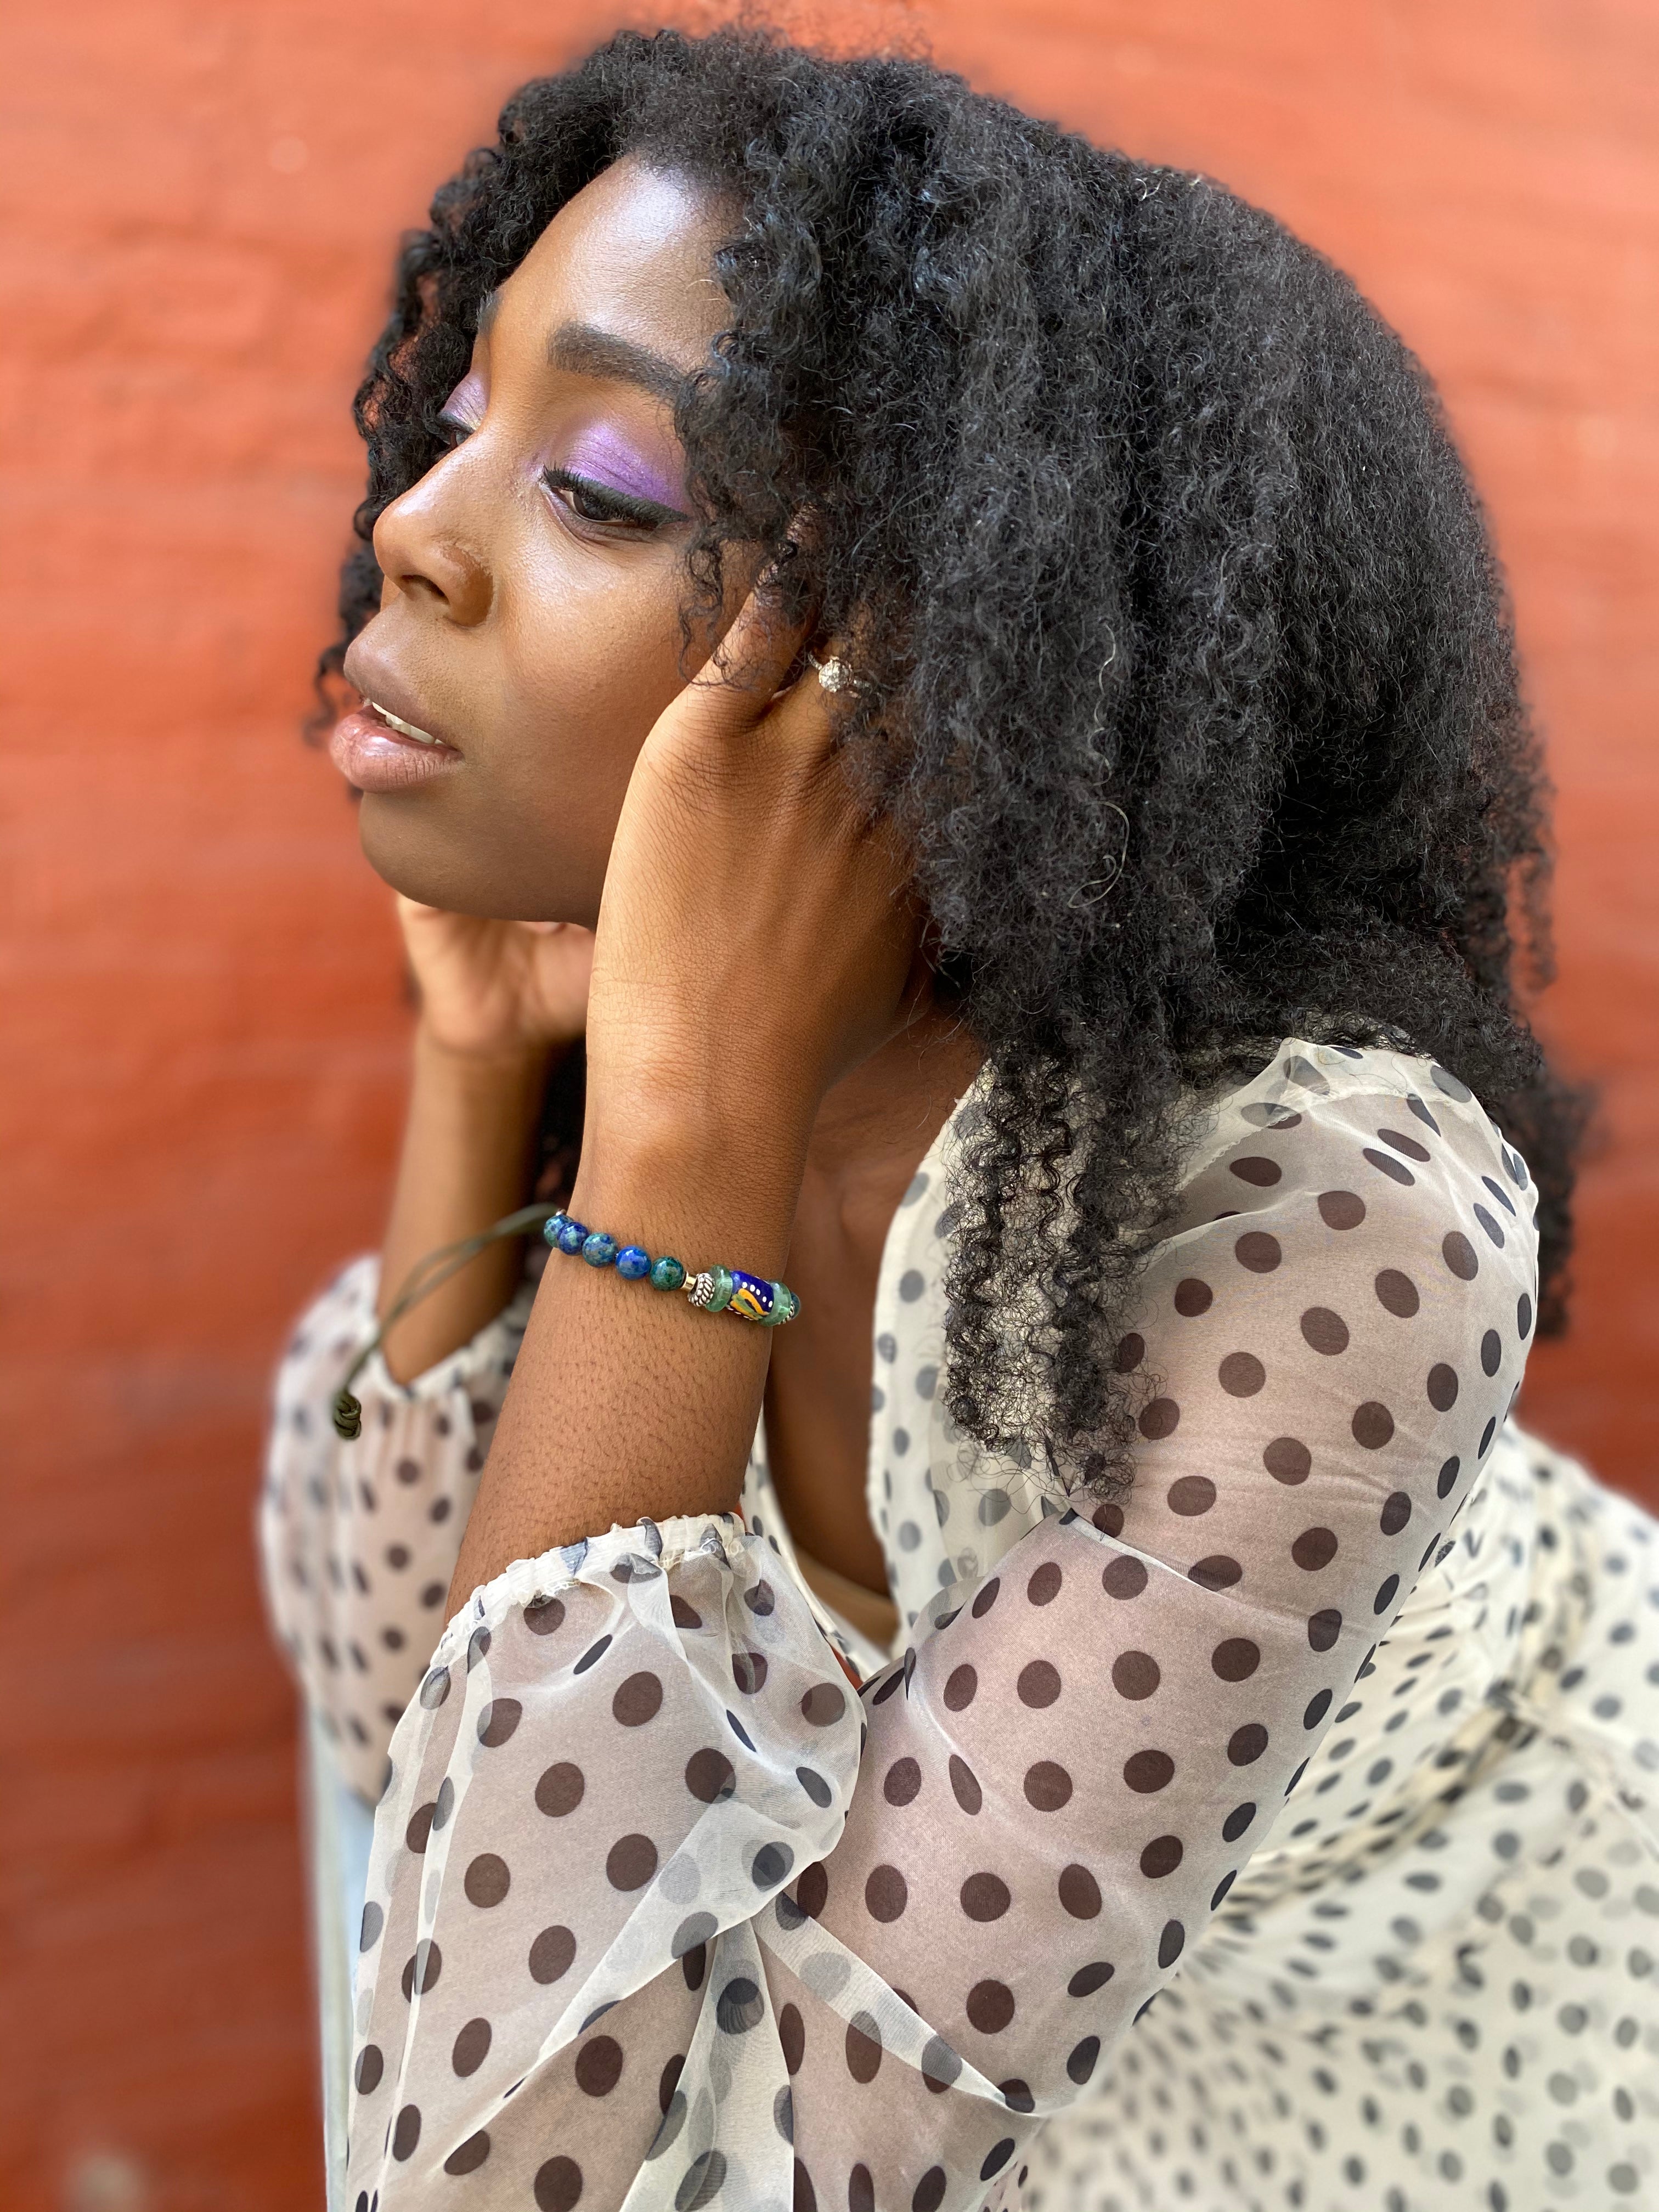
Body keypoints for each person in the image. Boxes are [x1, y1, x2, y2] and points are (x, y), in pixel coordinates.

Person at [258, 26, 1657, 2212]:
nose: (408, 536)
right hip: (1014, 2097)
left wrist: (681, 1140)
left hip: (1489, 2044)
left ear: (944, 678)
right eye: (454, 428)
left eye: (600, 487)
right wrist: (486, 1061)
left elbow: (542, 2163)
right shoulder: (688, 1044)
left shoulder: (1336, 1220)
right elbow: (402, 1719)